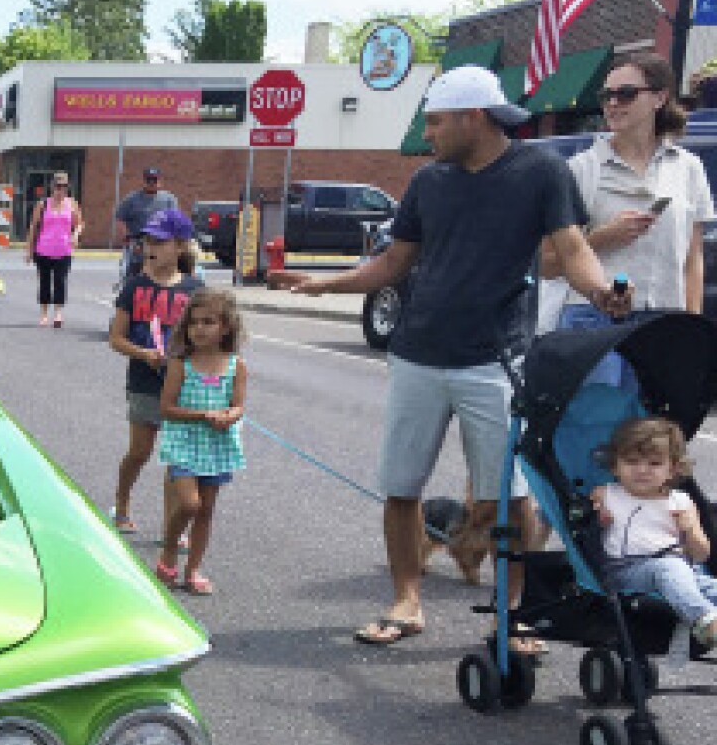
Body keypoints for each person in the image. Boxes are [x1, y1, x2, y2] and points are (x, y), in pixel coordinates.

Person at [268, 65, 626, 648]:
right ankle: (406, 602)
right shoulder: (428, 182)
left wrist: (602, 293)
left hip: (496, 359)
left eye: (435, 122)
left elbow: (572, 249)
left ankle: (513, 614)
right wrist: (324, 285)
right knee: (401, 485)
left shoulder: (540, 171)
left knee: (507, 496)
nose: (427, 134)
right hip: (417, 354)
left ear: (473, 117)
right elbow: (393, 264)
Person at [541, 53, 713, 352]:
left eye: (626, 94)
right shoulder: (580, 169)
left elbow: (692, 259)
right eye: (606, 95)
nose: (613, 103)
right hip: (591, 319)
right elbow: (546, 264)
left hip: (665, 320)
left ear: (659, 98)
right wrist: (604, 237)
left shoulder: (688, 168)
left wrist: (692, 327)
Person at [108, 208, 199, 537]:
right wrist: (144, 354)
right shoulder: (134, 287)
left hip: (182, 388)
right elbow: (116, 339)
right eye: (148, 241)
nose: (151, 247)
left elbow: (205, 337)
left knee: (176, 460)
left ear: (180, 246)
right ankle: (121, 503)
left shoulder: (194, 290)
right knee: (140, 452)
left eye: (160, 242)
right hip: (144, 383)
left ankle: (171, 527)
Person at [152, 288, 246, 596]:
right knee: (189, 504)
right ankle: (169, 550)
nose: (199, 329)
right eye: (194, 322)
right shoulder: (181, 363)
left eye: (208, 322)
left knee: (205, 510)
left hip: (216, 444)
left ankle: (192, 569)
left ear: (226, 327)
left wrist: (230, 416)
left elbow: (238, 406)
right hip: (183, 441)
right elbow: (166, 408)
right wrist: (203, 415)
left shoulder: (235, 365)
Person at [593, 417, 717, 647]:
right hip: (626, 569)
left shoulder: (681, 502)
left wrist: (690, 529)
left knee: (706, 584)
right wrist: (596, 517)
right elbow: (581, 521)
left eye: (654, 464)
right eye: (632, 462)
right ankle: (703, 620)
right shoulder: (606, 494)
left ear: (673, 469)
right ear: (615, 466)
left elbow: (701, 554)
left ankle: (709, 617)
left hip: (682, 569)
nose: (642, 470)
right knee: (668, 568)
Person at [24, 170, 82, 328]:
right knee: (44, 281)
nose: (60, 190)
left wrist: (75, 235)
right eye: (57, 186)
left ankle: (58, 313)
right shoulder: (42, 204)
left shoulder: (72, 204)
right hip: (43, 249)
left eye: (63, 187)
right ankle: (43, 314)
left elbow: (79, 224)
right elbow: (33, 227)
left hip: (64, 250)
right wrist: (29, 250)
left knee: (60, 281)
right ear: (52, 187)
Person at [114, 167, 180, 287]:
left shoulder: (169, 199)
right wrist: (127, 238)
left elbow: (174, 221)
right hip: (138, 243)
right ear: (143, 181)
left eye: (154, 180)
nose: (151, 183)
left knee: (162, 274)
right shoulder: (132, 199)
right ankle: (129, 291)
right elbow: (120, 218)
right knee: (133, 272)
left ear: (160, 181)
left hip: (161, 243)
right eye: (148, 180)